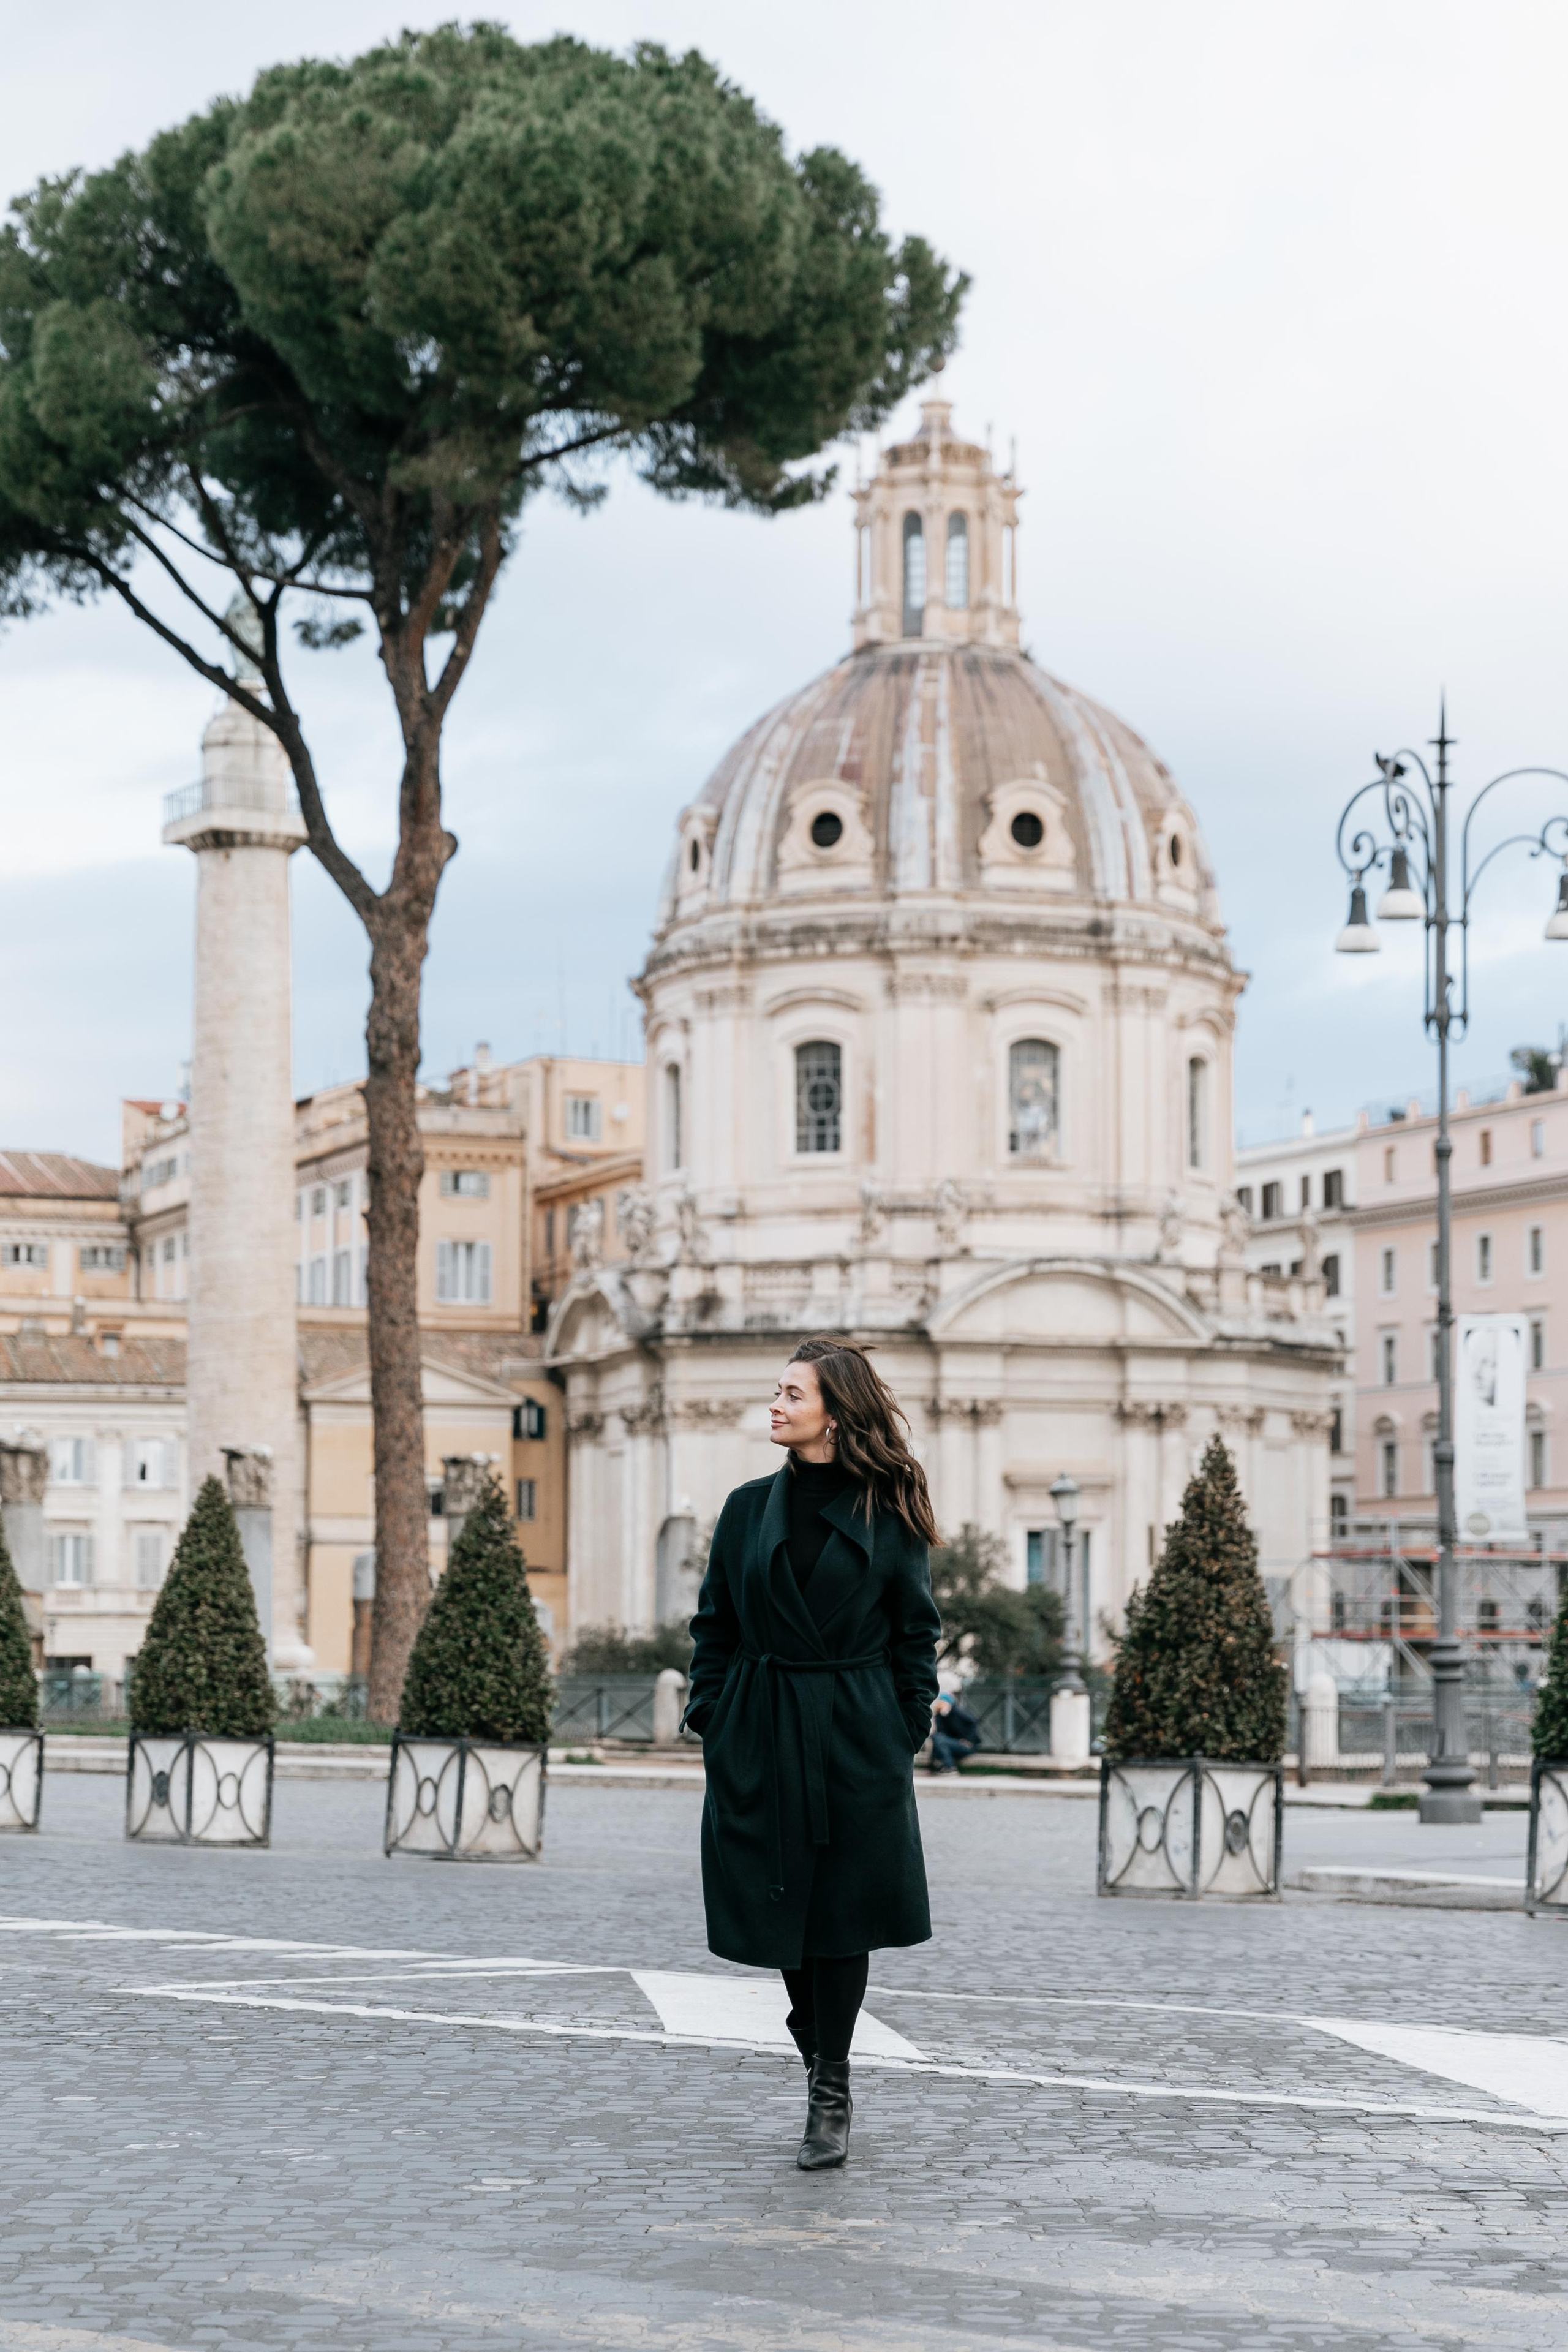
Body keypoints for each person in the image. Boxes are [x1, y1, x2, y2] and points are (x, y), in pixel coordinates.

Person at [684, 1336, 941, 2171]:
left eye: (793, 1395)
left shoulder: (889, 1511)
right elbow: (714, 1624)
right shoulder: (745, 1508)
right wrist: (711, 1713)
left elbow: (916, 1632)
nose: (777, 1406)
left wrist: (904, 1728)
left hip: (856, 1733)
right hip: (760, 1726)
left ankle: (828, 2090)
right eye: (779, 1392)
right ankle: (818, 2043)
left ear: (835, 1411)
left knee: (842, 1916)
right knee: (777, 1907)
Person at [929, 1691, 981, 1774]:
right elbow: (941, 1732)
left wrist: (969, 1740)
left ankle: (950, 1767)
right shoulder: (940, 1716)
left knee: (939, 1739)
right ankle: (941, 1766)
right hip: (952, 1743)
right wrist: (939, 1715)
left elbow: (973, 1723)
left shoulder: (958, 1712)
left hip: (966, 1745)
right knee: (937, 1738)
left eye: (942, 1702)